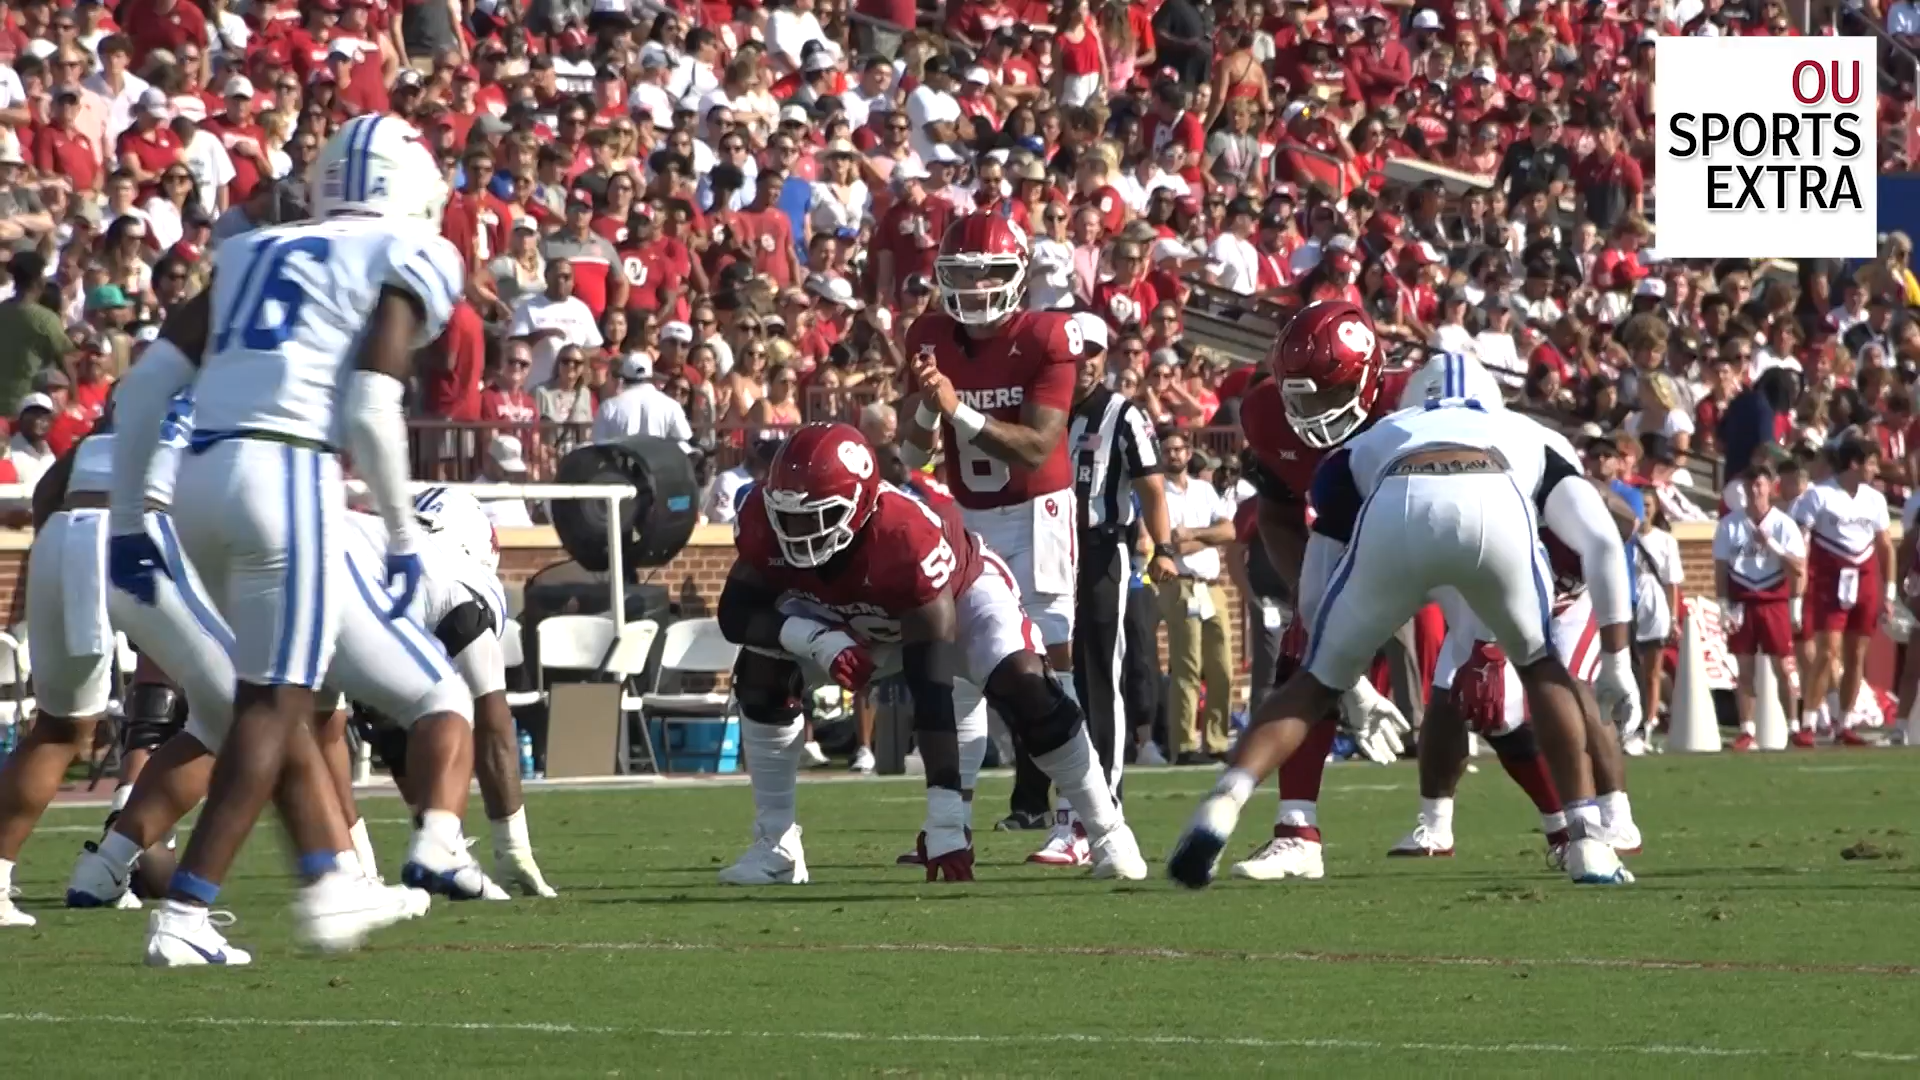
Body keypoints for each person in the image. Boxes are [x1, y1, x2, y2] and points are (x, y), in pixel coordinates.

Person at [104, 115, 489, 966]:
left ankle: (329, 882)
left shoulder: (252, 248)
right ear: (407, 186)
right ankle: (188, 913)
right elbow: (369, 405)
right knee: (274, 705)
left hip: (198, 476)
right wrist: (398, 533)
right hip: (287, 473)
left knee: (275, 697)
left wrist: (132, 519)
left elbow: (143, 390)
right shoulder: (407, 251)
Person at [1168, 367, 1640, 890]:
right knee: (1539, 666)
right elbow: (1602, 542)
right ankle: (1586, 841)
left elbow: (1314, 584)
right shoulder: (1531, 433)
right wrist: (1618, 660)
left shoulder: (1374, 437)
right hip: (1494, 503)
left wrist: (1338, 670)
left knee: (1311, 681)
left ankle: (1223, 803)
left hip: (1396, 500)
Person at [714, 423, 1147, 883]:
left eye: (816, 516)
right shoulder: (764, 518)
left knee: (1026, 686)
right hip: (842, 619)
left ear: (861, 506)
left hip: (960, 601)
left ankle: (1108, 832)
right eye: (787, 516)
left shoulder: (905, 537)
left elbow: (933, 686)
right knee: (759, 670)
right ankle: (777, 846)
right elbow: (735, 614)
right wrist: (818, 639)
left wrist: (944, 822)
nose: (797, 532)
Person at [1384, 351, 1643, 862]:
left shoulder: (1533, 444)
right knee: (1451, 697)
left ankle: (1615, 814)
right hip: (1495, 587)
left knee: (1577, 688)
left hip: (1565, 593)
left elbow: (1614, 532)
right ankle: (1436, 824)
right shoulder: (1411, 446)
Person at [902, 211, 1089, 866]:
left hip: (1038, 513)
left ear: (1017, 277)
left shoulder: (1048, 334)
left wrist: (958, 408)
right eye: (961, 274)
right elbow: (908, 448)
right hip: (970, 519)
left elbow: (1039, 446)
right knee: (958, 671)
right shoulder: (928, 334)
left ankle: (1078, 820)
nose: (976, 288)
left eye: (990, 274)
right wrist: (929, 404)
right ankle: (953, 823)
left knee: (1049, 664)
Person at [1791, 431, 1893, 746]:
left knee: (1857, 653)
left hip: (1864, 581)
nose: (1876, 469)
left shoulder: (1875, 499)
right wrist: (1797, 591)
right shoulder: (1818, 496)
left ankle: (1844, 722)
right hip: (1827, 580)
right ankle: (1808, 721)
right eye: (1871, 462)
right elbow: (1800, 543)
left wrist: (1888, 592)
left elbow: (1885, 545)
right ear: (1853, 463)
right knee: (1827, 652)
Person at [1157, 426, 1236, 765]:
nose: (1174, 455)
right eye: (1168, 450)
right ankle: (1185, 744)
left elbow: (1229, 530)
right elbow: (1169, 543)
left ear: (1189, 453)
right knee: (1187, 667)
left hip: (1212, 586)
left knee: (1223, 668)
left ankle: (1216, 741)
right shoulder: (1157, 492)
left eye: (1179, 449)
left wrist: (1194, 535)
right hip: (1182, 585)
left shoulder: (1204, 490)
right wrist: (1206, 538)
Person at [1715, 464, 1806, 751]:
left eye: (1760, 485)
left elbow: (1799, 567)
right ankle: (1747, 731)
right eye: (1750, 486)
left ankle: (1794, 727)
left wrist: (1773, 545)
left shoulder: (1783, 524)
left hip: (1773, 600)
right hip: (1742, 600)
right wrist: (1722, 605)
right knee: (1744, 669)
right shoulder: (1730, 524)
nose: (1755, 491)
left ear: (1770, 487)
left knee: (1784, 667)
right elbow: (1720, 568)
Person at [592, 351, 694, 448]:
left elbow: (599, 445)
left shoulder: (609, 406)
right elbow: (683, 443)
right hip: (659, 464)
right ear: (651, 376)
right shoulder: (672, 406)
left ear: (623, 377)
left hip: (620, 465)